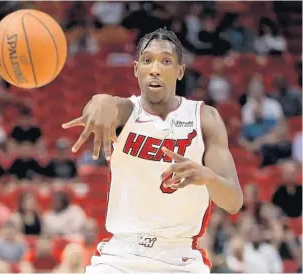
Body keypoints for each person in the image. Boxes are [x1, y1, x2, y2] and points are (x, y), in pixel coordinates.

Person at [62, 28, 243, 274]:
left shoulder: (204, 118)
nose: (155, 69)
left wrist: (208, 178)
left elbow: (233, 202)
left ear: (180, 71)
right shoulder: (126, 112)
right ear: (136, 69)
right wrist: (101, 100)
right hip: (120, 257)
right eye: (147, 60)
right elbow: (111, 104)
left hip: (179, 258)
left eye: (166, 61)